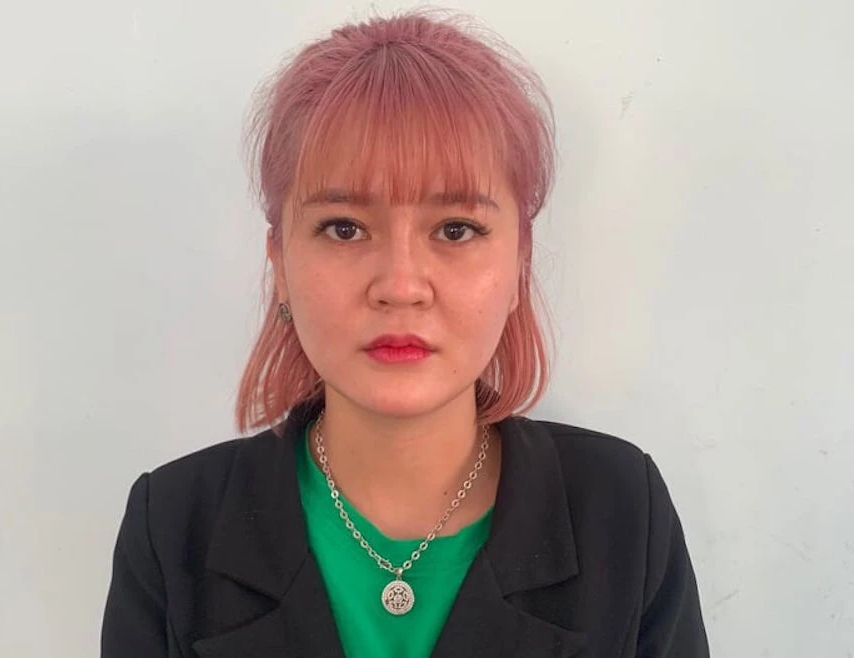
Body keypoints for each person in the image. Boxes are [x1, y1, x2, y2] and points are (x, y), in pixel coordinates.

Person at [101, 8, 709, 657]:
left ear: (519, 262)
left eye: (456, 229)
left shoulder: (623, 513)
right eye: (344, 228)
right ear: (279, 262)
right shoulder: (172, 528)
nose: (400, 285)